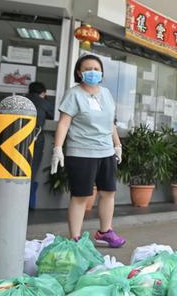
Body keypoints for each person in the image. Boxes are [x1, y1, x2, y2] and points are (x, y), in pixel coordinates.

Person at [51, 54, 126, 247]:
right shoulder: (74, 94)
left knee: (109, 192)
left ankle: (105, 232)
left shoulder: (106, 94)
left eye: (96, 69)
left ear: (101, 72)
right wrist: (58, 148)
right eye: (87, 69)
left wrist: (117, 145)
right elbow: (64, 123)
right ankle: (75, 238)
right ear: (79, 72)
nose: (92, 72)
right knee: (81, 196)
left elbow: (111, 123)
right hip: (81, 152)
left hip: (106, 152)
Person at [25, 81, 55, 209]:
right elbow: (52, 115)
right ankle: (28, 203)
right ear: (43, 93)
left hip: (18, 139)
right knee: (32, 170)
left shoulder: (23, 100)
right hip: (36, 140)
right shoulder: (44, 103)